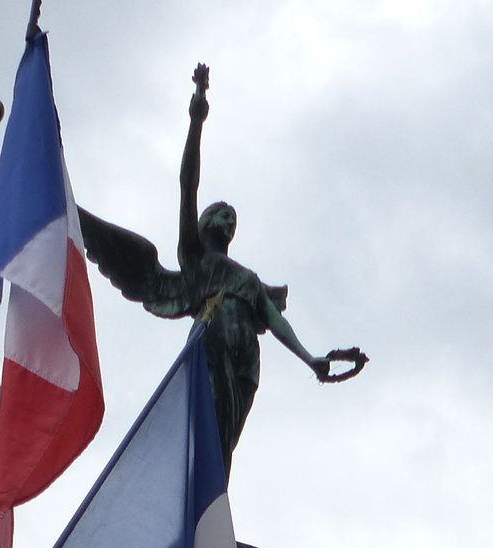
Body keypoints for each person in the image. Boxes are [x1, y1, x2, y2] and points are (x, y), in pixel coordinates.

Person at [79, 64, 366, 470]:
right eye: (222, 214)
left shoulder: (247, 279)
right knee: (207, 431)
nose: (229, 221)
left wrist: (310, 358)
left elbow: (275, 322)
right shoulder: (194, 260)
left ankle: (212, 509)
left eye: (233, 218)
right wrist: (196, 118)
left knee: (224, 445)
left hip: (245, 359)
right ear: (205, 222)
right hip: (211, 347)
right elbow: (187, 183)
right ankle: (199, 508)